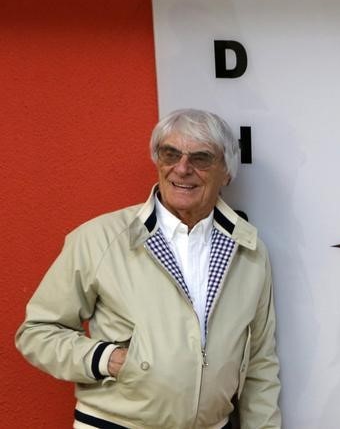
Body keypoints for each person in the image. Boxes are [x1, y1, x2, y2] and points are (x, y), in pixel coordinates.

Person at [16, 109, 281, 429]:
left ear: (226, 173)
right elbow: (37, 333)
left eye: (201, 158)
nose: (182, 169)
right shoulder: (100, 239)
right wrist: (107, 359)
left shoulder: (249, 251)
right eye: (171, 154)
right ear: (158, 160)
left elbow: (260, 364)